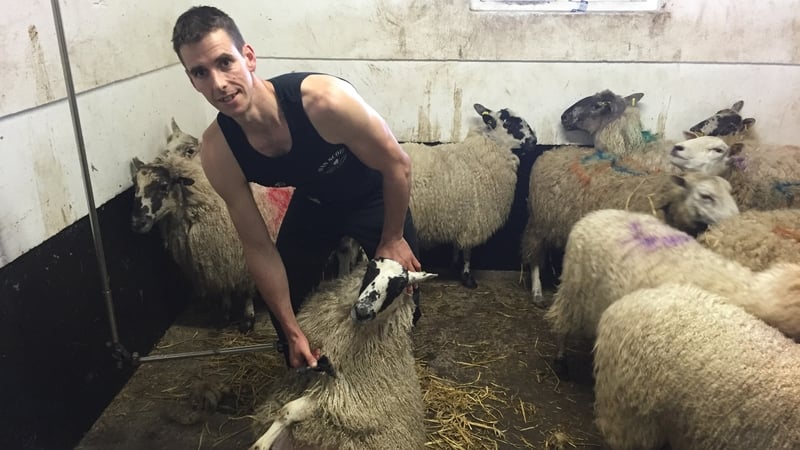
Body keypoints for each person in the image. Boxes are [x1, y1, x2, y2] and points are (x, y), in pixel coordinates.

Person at [171, 6, 422, 369]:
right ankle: (307, 364)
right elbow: (257, 246)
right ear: (192, 80)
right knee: (285, 303)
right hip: (315, 201)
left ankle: (391, 376)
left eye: (225, 62)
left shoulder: (324, 102)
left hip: (372, 195)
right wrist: (289, 329)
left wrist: (394, 238)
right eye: (200, 73)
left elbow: (397, 165)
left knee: (403, 291)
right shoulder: (218, 151)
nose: (219, 84)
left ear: (249, 57)